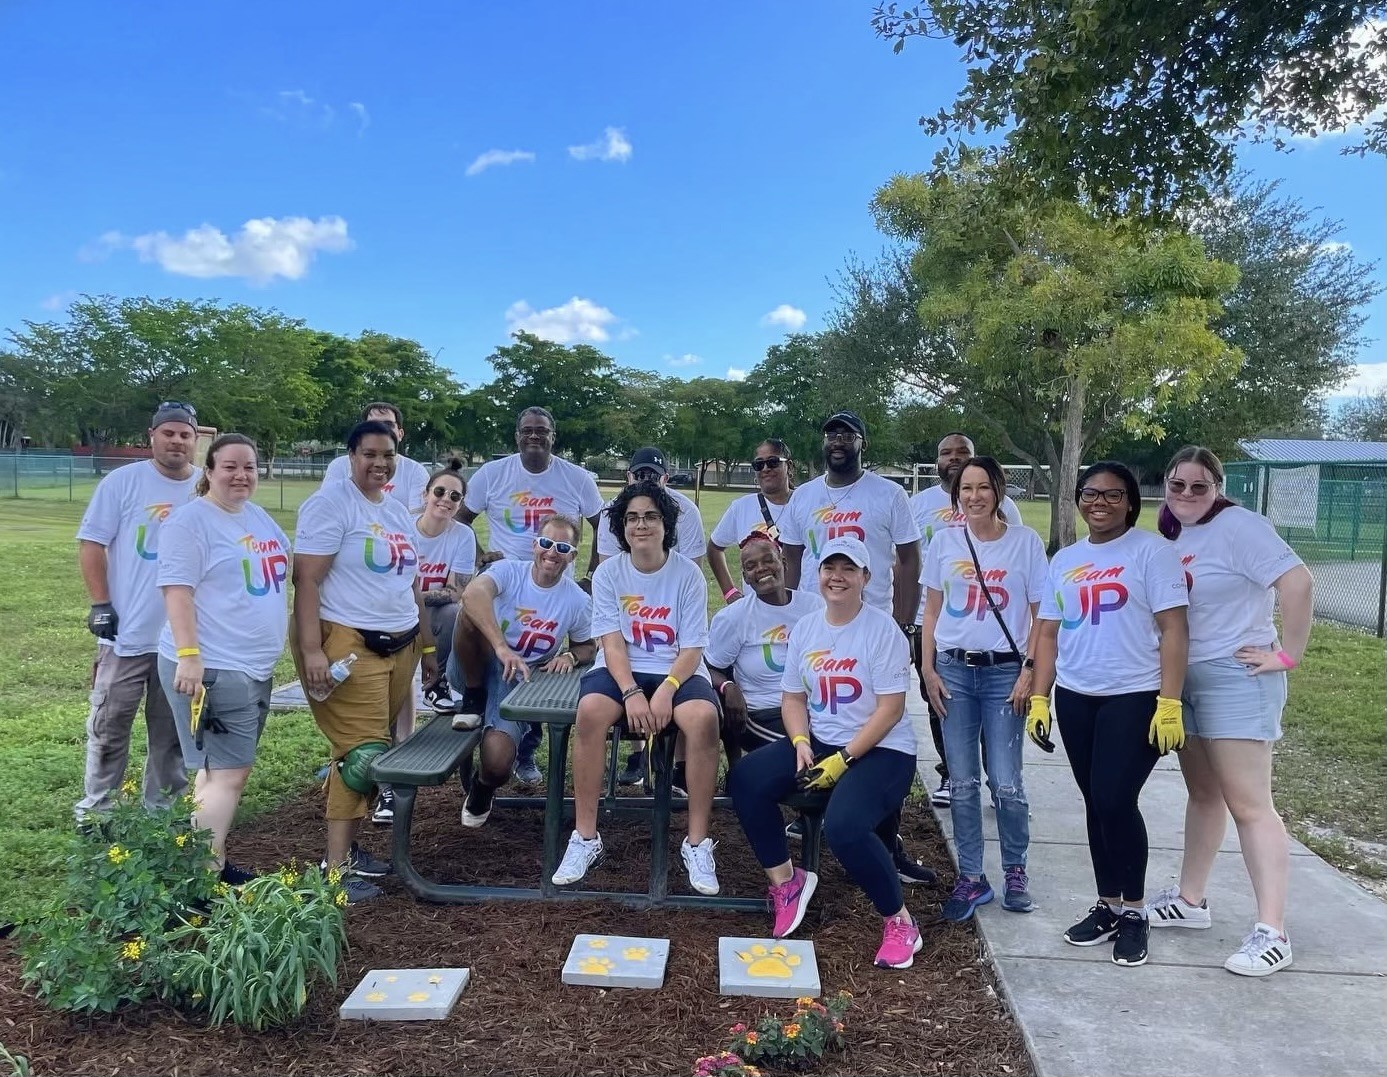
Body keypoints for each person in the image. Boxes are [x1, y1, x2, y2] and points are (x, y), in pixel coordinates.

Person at [1144, 446, 1312, 977]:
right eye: (1178, 485)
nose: (1187, 495)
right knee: (1203, 794)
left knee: (1251, 805)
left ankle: (1273, 931)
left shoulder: (1241, 526)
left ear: (1218, 487)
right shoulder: (1175, 533)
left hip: (1235, 677)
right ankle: (1191, 901)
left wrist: (1287, 655)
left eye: (1200, 486)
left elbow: (1298, 582)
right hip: (1186, 678)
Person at [727, 536, 923, 970]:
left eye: (848, 569)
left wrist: (844, 759)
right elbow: (793, 699)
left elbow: (890, 710)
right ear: (818, 576)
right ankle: (786, 881)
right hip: (822, 740)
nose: (837, 577)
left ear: (865, 578)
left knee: (845, 826)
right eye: (829, 568)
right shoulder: (808, 628)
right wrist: (799, 743)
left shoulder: (883, 631)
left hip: (883, 750)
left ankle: (900, 921)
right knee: (745, 779)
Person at [1028, 462, 1189, 968]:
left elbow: (1174, 631)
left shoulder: (1152, 553)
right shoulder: (1067, 559)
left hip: (1134, 694)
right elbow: (1049, 633)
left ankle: (1136, 911)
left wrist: (1169, 701)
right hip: (1077, 695)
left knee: (1115, 799)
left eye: (1112, 494)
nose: (1099, 502)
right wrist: (1039, 696)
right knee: (1094, 803)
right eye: (1090, 493)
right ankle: (1108, 903)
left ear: (1129, 502)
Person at [291, 420, 439, 904]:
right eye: (370, 454)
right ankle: (332, 872)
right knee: (361, 756)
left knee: (379, 752)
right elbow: (307, 582)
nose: (379, 463)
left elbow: (411, 583)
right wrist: (312, 651)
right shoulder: (331, 504)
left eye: (388, 455)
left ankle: (350, 850)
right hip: (350, 645)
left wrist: (428, 645)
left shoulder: (395, 511)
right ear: (351, 455)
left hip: (402, 644)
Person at [551, 481, 722, 896]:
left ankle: (697, 843)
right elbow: (610, 642)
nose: (640, 525)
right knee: (590, 712)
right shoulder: (610, 572)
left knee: (702, 719)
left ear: (665, 523)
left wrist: (664, 691)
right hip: (621, 670)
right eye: (631, 518)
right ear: (620, 527)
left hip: (676, 671)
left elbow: (693, 646)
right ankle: (586, 837)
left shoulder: (687, 574)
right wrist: (630, 692)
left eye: (649, 516)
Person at [156, 434, 289, 883]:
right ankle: (205, 879)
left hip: (251, 666)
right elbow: (177, 591)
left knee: (214, 774)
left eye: (249, 466)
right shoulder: (190, 522)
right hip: (213, 666)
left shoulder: (257, 516)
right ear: (208, 471)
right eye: (230, 466)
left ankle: (198, 863)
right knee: (229, 774)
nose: (241, 475)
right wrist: (190, 656)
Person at [919, 457, 1048, 920]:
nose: (974, 496)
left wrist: (1030, 671)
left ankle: (1016, 868)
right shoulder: (945, 542)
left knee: (1007, 783)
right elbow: (931, 612)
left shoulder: (1025, 543)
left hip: (1004, 674)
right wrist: (927, 669)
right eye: (965, 488)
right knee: (963, 782)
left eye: (983, 487)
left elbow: (1040, 614)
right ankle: (971, 877)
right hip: (954, 672)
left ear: (999, 491)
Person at [460, 406, 605, 784]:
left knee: (538, 659)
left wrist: (590, 574)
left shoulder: (576, 478)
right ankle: (471, 699)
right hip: (507, 581)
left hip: (553, 588)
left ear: (554, 436)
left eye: (542, 430)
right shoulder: (493, 474)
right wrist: (478, 555)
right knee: (471, 621)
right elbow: (459, 522)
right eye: (527, 430)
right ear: (517, 435)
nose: (534, 436)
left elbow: (602, 527)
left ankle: (522, 746)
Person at [74, 402, 201, 824]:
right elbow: (92, 544)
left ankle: (161, 812)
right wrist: (100, 603)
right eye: (169, 433)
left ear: (195, 439)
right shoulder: (122, 483)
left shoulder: (205, 487)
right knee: (110, 723)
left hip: (181, 640)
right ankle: (98, 811)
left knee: (171, 733)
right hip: (128, 631)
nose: (177, 441)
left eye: (185, 434)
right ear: (152, 436)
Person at [449, 514, 596, 827]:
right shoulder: (508, 571)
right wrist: (502, 647)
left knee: (498, 763)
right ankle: (473, 696)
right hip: (476, 662)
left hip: (518, 679)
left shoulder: (577, 600)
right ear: (534, 545)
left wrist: (570, 655)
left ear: (572, 554)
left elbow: (588, 646)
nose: (551, 552)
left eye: (561, 546)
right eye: (545, 543)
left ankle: (483, 786)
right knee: (468, 615)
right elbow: (472, 595)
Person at [909, 432, 1022, 807]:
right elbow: (906, 560)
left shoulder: (1004, 507)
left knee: (994, 706)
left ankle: (999, 779)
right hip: (933, 619)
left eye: (963, 452)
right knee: (939, 701)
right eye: (946, 452)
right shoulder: (918, 505)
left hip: (989, 623)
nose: (954, 458)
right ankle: (949, 774)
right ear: (936, 461)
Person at [370, 460, 478, 826]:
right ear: (424, 494)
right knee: (389, 706)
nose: (446, 500)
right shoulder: (402, 527)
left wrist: (419, 596)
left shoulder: (461, 535)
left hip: (426, 617)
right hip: (392, 621)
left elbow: (457, 592)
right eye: (439, 492)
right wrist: (423, 596)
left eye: (455, 496)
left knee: (454, 615)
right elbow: (389, 586)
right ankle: (384, 786)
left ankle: (439, 681)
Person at [594, 445, 708, 786]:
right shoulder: (615, 512)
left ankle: (677, 767)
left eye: (653, 476)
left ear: (665, 479)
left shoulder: (685, 511)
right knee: (627, 660)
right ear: (629, 477)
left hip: (671, 623)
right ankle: (637, 753)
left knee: (684, 672)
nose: (647, 480)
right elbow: (609, 569)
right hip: (631, 618)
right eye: (640, 474)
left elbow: (691, 571)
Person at [707, 438, 795, 604]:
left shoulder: (805, 503)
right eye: (759, 464)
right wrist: (729, 592)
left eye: (773, 462)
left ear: (789, 466)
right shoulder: (741, 507)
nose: (766, 469)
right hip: (757, 610)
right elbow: (714, 548)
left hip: (800, 606)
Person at [322, 401, 431, 512]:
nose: (381, 429)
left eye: (388, 424)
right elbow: (328, 507)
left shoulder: (415, 472)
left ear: (400, 433)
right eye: (373, 425)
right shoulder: (340, 466)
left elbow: (415, 517)